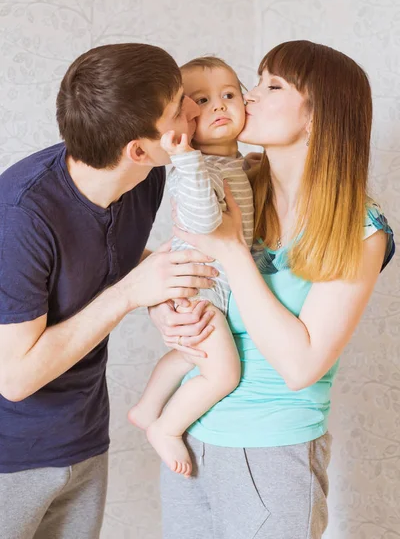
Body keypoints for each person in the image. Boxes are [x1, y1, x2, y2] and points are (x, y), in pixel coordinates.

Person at [150, 40, 395, 539]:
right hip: (190, 438)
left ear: (318, 115)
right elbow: (169, 265)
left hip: (271, 454)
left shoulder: (359, 229)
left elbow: (301, 365)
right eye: (256, 80)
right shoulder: (231, 185)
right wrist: (163, 310)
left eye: (273, 85)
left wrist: (233, 253)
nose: (249, 95)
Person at [0, 43, 218, 539]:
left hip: (84, 437)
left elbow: (103, 262)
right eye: (179, 105)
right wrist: (130, 295)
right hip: (10, 456)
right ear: (137, 149)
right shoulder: (21, 217)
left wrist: (158, 297)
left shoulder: (147, 177)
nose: (194, 110)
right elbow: (14, 377)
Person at [129, 57, 254, 478]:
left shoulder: (233, 163)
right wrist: (185, 160)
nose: (218, 106)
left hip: (207, 281)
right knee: (222, 374)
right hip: (198, 283)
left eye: (229, 95)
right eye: (202, 100)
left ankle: (147, 408)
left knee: (187, 354)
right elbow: (202, 222)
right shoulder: (192, 169)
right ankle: (166, 427)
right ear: (183, 121)